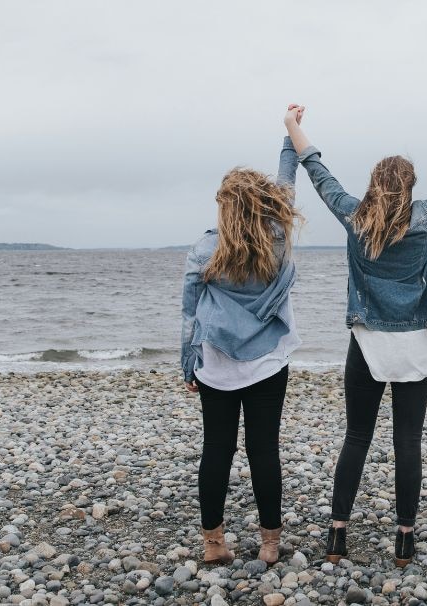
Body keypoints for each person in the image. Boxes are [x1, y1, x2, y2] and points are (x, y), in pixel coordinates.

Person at [284, 109, 427, 567]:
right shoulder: (426, 217)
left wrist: (292, 126)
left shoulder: (354, 215)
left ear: (374, 184)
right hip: (416, 344)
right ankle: (404, 538)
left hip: (366, 344)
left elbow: (319, 173)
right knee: (408, 441)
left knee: (357, 436)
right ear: (411, 186)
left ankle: (338, 534)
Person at [180, 105, 306, 565]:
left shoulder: (206, 247)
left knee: (216, 449)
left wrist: (187, 361)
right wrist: (288, 134)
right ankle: (270, 544)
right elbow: (287, 184)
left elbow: (189, 310)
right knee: (263, 449)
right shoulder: (276, 236)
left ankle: (214, 543)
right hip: (268, 360)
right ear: (262, 204)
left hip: (215, 362)